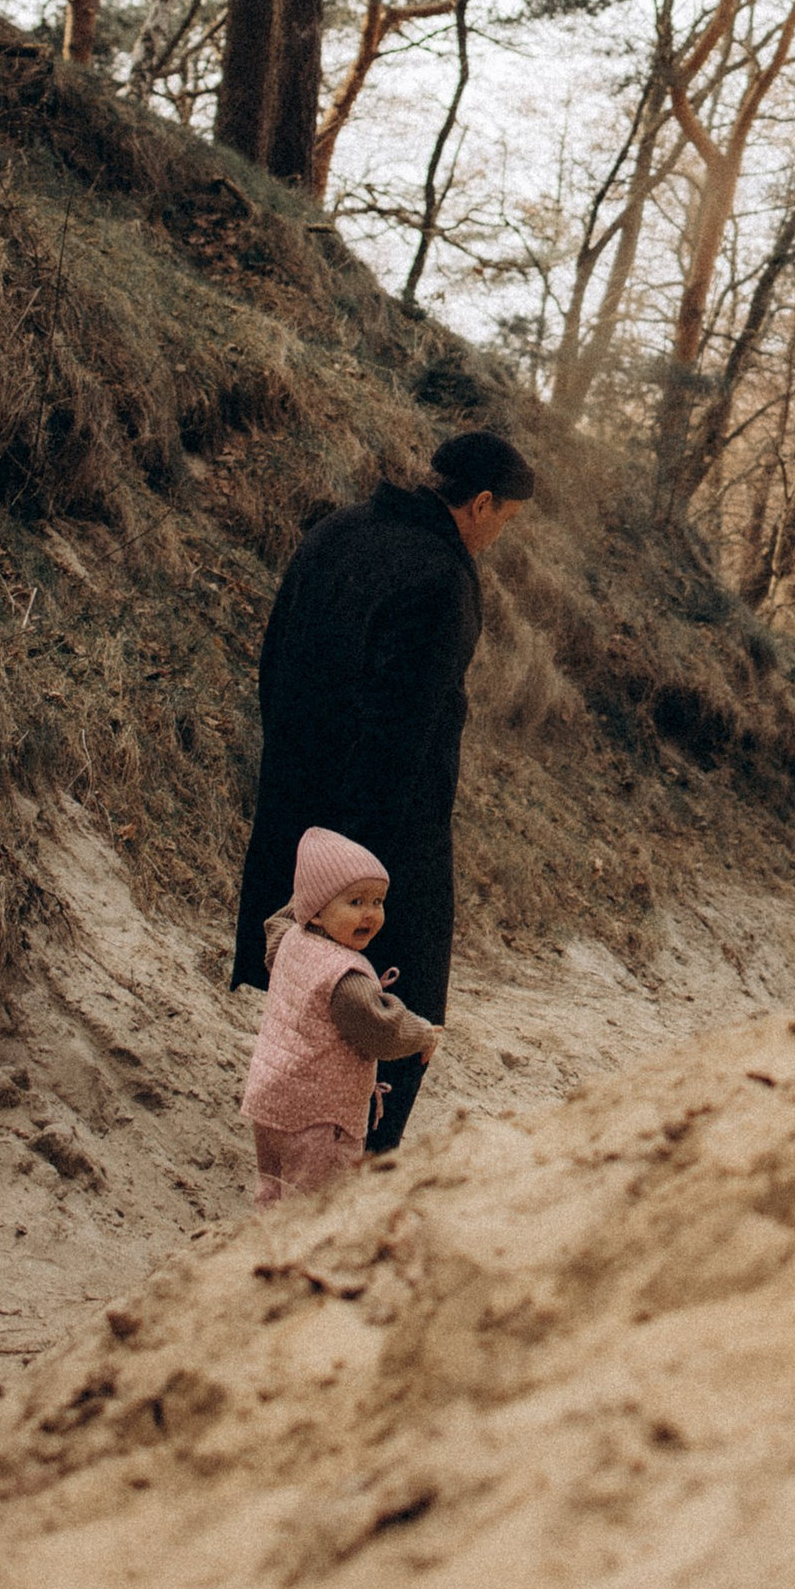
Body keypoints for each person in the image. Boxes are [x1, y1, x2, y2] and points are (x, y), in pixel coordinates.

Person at [229, 426, 534, 1150]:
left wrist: (290, 774)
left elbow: (272, 660)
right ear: (482, 503)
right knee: (397, 992)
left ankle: (291, 1116)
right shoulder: (442, 576)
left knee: (302, 973)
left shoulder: (339, 528)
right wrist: (370, 866)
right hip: (382, 828)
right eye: (507, 522)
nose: (499, 538)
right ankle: (363, 1143)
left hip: (294, 799)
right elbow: (402, 732)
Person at [241, 825, 443, 1206]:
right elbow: (382, 1030)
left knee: (274, 1193)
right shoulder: (345, 977)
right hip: (319, 1121)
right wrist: (423, 1035)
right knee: (319, 1207)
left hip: (271, 1105)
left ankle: (264, 1254)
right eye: (355, 903)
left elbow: (279, 921)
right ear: (316, 911)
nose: (370, 914)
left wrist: (307, 896)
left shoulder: (289, 940)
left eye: (378, 901)